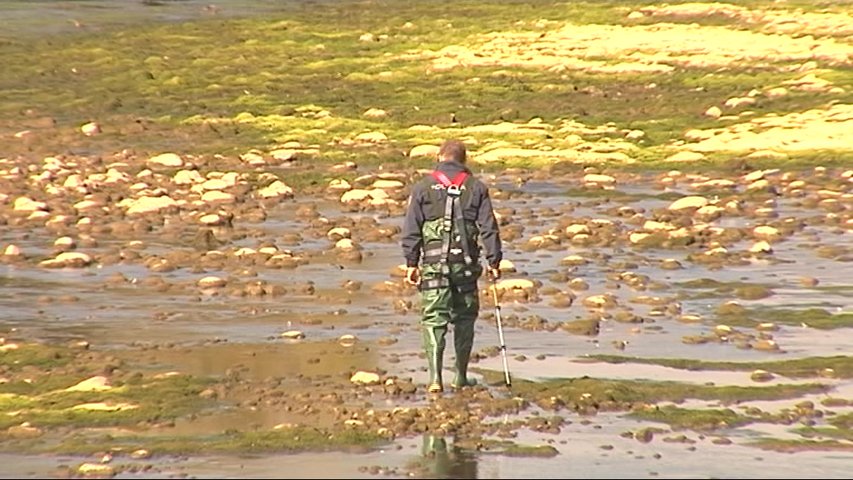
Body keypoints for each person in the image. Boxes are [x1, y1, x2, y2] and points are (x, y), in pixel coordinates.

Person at [401, 139, 503, 393]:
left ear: (439, 157)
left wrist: (411, 263)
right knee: (465, 318)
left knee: (434, 319)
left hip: (434, 265)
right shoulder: (476, 187)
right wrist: (494, 261)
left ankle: (435, 379)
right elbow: (489, 227)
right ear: (464, 160)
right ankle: (460, 376)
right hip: (466, 266)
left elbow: (411, 228)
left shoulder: (423, 187)